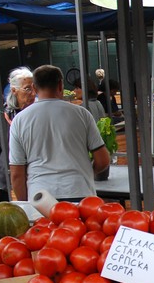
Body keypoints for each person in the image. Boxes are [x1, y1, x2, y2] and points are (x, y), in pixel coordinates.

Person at [9, 65, 109, 202]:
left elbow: (16, 174)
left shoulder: (19, 120)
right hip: (80, 193)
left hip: (40, 197)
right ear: (61, 85)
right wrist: (85, 174)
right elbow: (103, 160)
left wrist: (26, 204)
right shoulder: (82, 114)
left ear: (34, 88)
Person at [0, 67, 35, 203]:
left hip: (32, 177)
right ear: (14, 90)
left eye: (34, 88)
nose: (33, 93)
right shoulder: (1, 116)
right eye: (27, 89)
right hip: (5, 179)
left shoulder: (37, 114)